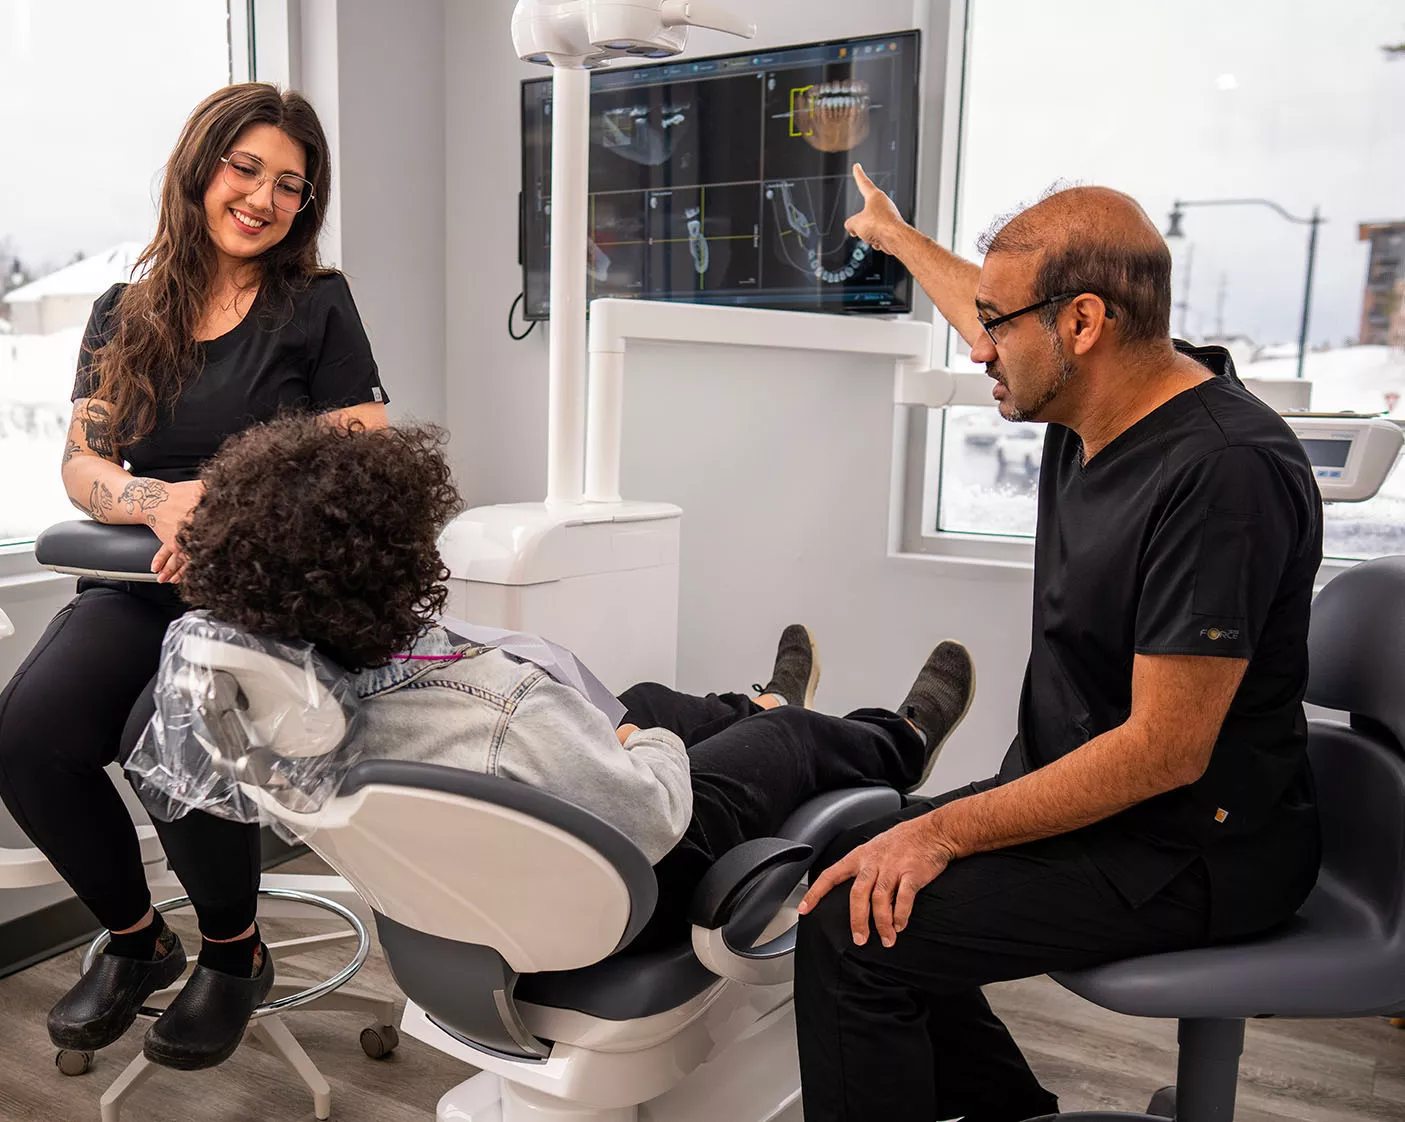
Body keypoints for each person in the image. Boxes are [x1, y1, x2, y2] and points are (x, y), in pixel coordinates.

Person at [788, 167, 1324, 1122]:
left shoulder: (1222, 474)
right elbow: (995, 310)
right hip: (1104, 803)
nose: (980, 347)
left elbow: (1165, 751)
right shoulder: (1098, 396)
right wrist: (898, 238)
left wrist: (942, 828)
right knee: (862, 862)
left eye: (996, 328)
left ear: (1081, 324)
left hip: (1190, 847)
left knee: (854, 928)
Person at [155, 414, 977, 954]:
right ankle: (892, 742)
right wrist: (633, 745)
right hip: (633, 889)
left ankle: (758, 701)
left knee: (650, 696)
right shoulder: (499, 706)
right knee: (764, 740)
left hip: (472, 895)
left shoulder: (295, 706)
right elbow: (650, 810)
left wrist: (631, 726)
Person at [0, 83, 389, 1072]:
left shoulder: (316, 305)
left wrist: (214, 498)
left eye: (291, 186)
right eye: (245, 168)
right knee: (28, 735)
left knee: (162, 737)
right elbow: (82, 467)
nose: (263, 197)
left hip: (263, 595)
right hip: (140, 583)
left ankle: (232, 952)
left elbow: (363, 444)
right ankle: (138, 943)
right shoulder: (121, 312)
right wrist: (153, 502)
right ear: (200, 166)